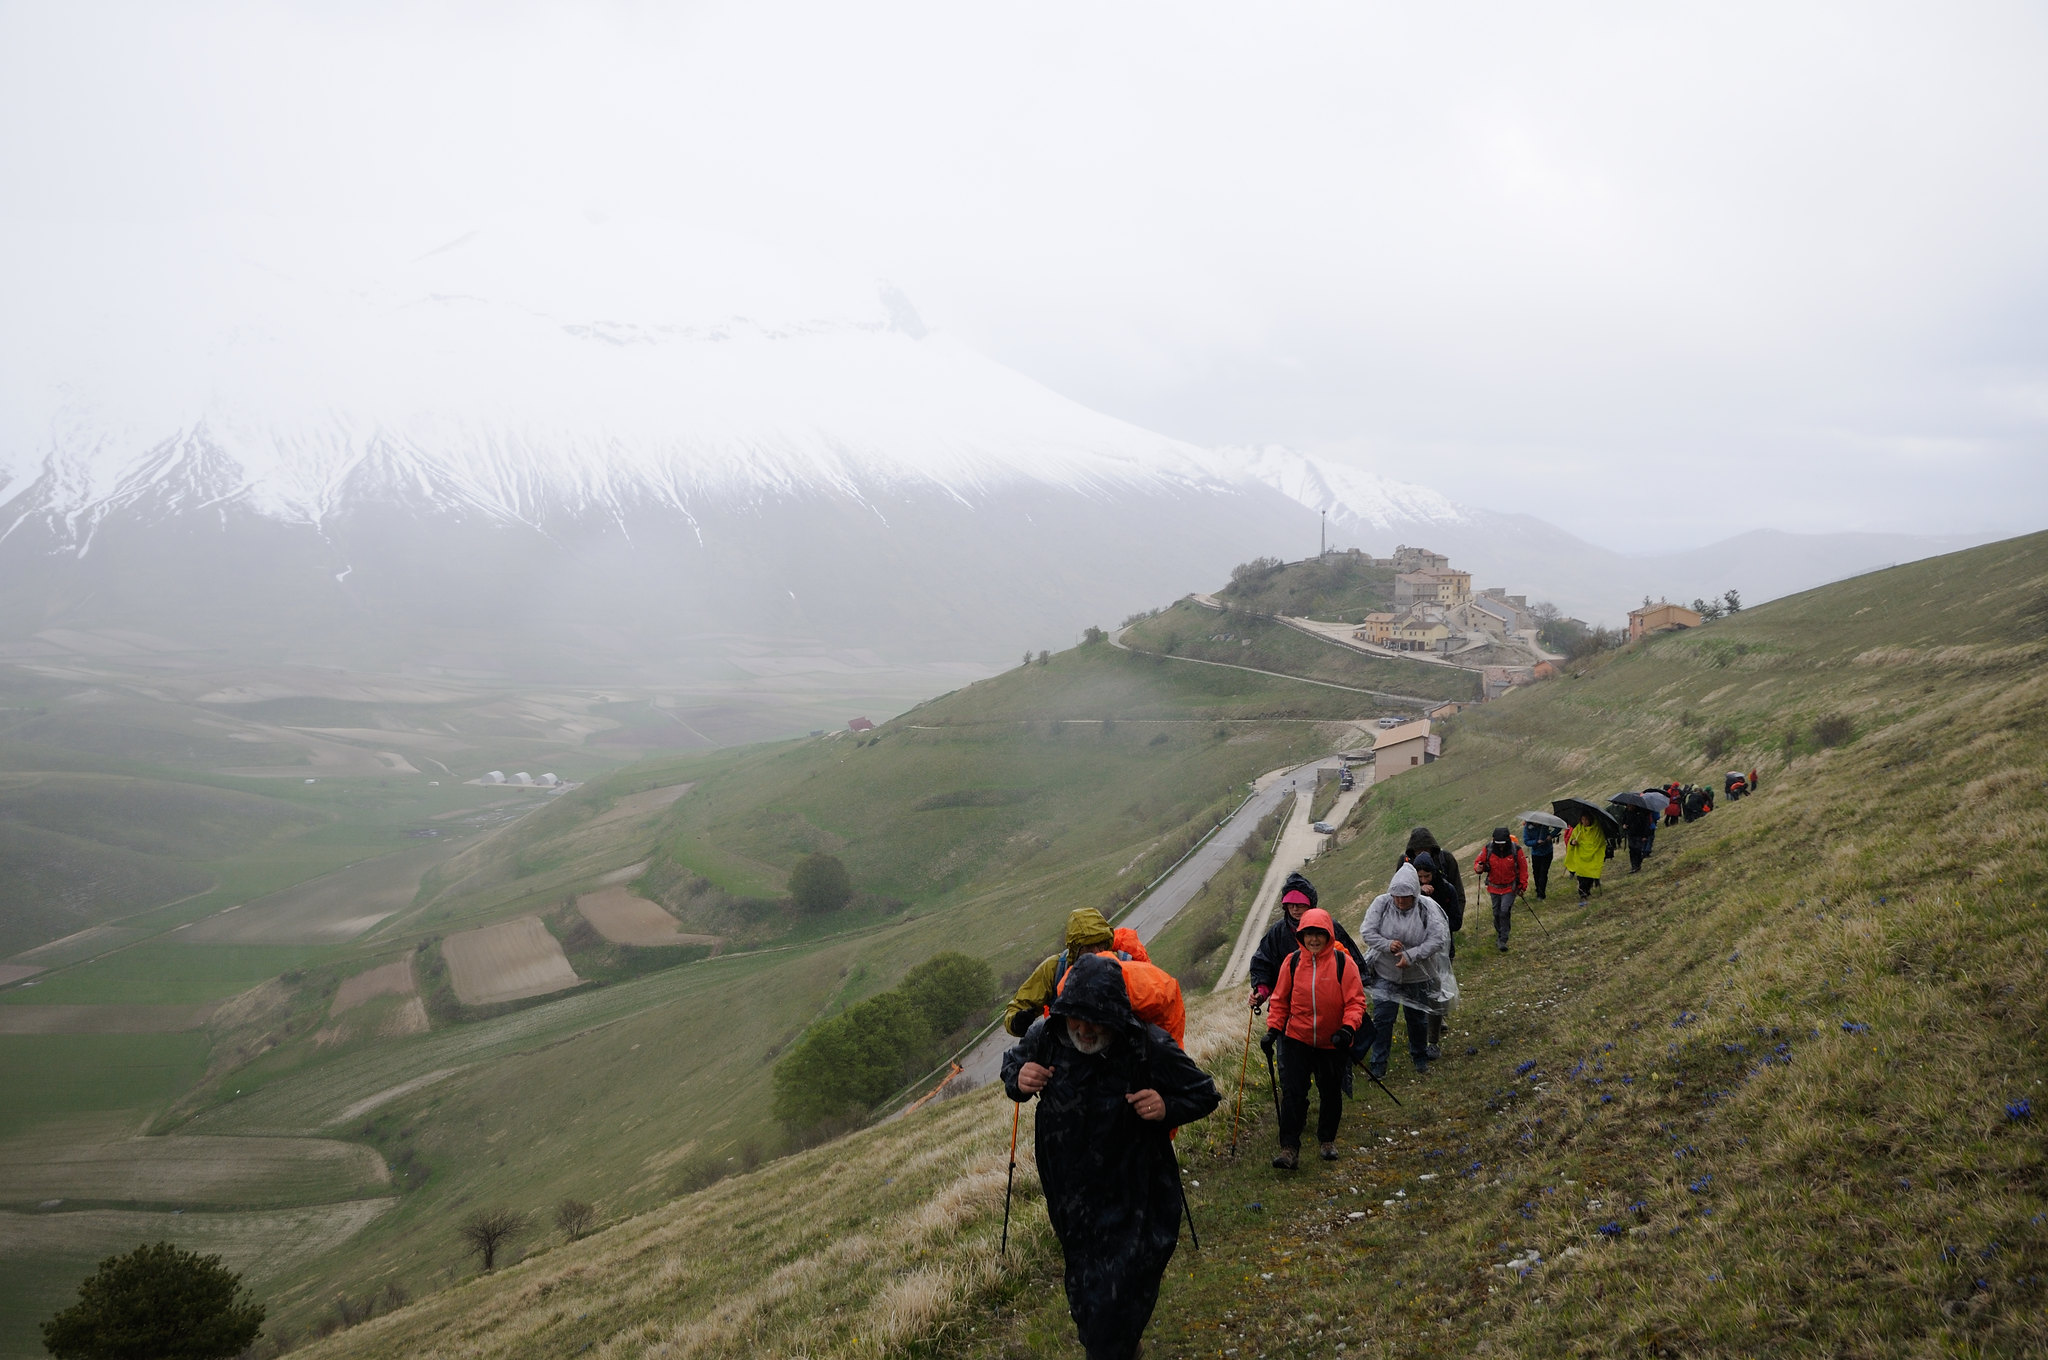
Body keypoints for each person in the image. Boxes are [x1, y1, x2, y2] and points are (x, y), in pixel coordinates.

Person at [1003, 953, 1221, 1360]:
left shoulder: (1147, 1046)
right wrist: (1018, 1079)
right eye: (1076, 1019)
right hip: (1070, 1198)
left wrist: (1166, 1106)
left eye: (1095, 1021)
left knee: (1111, 1310)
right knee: (1087, 1302)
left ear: (1115, 1016)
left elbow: (1204, 1093)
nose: (1084, 1030)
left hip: (1134, 1195)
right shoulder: (1046, 1037)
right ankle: (1124, 1346)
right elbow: (1012, 1066)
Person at [1259, 907, 1365, 1167]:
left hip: (1333, 1041)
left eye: (1319, 934)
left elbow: (1356, 1002)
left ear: (1329, 935)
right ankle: (1289, 1149)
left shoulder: (1343, 962)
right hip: (1297, 1038)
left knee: (1330, 1092)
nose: (1314, 939)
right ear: (1301, 936)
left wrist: (1347, 1028)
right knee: (1293, 1092)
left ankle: (1327, 1140)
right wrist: (1273, 1030)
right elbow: (1280, 1000)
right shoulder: (1292, 962)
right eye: (1309, 934)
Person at [1005, 908, 1186, 1047]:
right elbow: (1017, 1008)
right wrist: (1017, 1023)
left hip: (1119, 1055)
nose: (1097, 953)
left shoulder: (1125, 965)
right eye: (1089, 948)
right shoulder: (1054, 969)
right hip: (1069, 1058)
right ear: (1074, 950)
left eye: (1101, 945)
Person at [1356, 863, 1452, 1077]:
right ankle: (1378, 1065)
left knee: (1417, 1020)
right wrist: (1387, 944)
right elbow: (1367, 932)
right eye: (1396, 896)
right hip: (1385, 973)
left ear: (1415, 893)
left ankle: (1420, 1057)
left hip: (1417, 976)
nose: (1400, 900)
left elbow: (1438, 939)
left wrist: (1411, 955)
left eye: (1405, 896)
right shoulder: (1381, 903)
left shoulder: (1426, 907)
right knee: (1382, 1019)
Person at [1248, 872, 1366, 1012]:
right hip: (1288, 1007)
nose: (1295, 909)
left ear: (1310, 903)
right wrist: (1261, 992)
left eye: (1300, 904)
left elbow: (1353, 966)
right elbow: (1263, 963)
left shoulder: (1330, 927)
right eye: (1290, 904)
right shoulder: (1277, 932)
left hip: (1328, 1006)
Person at [1472, 827, 1530, 951]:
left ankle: (1503, 938)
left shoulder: (1516, 850)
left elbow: (1523, 868)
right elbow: (1478, 862)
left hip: (1510, 887)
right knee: (1496, 913)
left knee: (1504, 911)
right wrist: (1478, 868)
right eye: (1498, 844)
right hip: (1494, 887)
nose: (1501, 847)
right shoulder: (1488, 849)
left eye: (1503, 844)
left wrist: (1522, 886)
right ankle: (1500, 933)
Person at [1563, 811, 1607, 902]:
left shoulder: (1597, 829)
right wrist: (1573, 842)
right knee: (1581, 876)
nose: (1584, 821)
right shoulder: (1578, 829)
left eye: (1586, 819)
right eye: (1583, 819)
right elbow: (1571, 840)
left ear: (1590, 819)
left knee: (1589, 875)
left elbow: (1600, 842)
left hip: (1592, 856)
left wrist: (1588, 846)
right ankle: (1583, 893)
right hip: (1580, 856)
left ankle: (1587, 890)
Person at [1521, 818, 1559, 900]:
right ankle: (1538, 888)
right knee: (1536, 873)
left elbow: (1558, 827)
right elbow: (1526, 841)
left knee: (1543, 872)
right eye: (1536, 821)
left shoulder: (1545, 823)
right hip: (1536, 854)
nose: (1537, 822)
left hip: (1547, 852)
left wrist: (1551, 835)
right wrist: (1536, 842)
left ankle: (1541, 894)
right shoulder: (1527, 827)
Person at [1621, 803, 1657, 874]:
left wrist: (1645, 836)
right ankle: (1634, 866)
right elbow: (1623, 820)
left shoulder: (1642, 812)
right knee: (1632, 850)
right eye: (1628, 806)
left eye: (1630, 805)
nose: (1629, 807)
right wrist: (1624, 825)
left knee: (1638, 850)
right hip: (1631, 834)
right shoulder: (1626, 811)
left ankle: (1637, 865)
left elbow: (1646, 825)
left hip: (1639, 835)